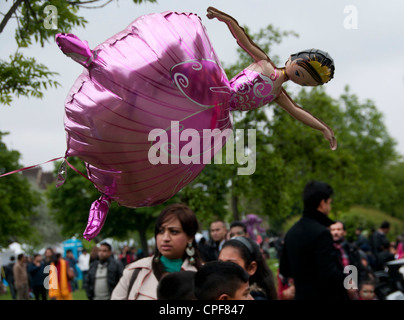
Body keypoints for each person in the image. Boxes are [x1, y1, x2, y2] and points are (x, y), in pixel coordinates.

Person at [55, 7, 337, 240]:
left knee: (167, 150)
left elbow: (299, 112)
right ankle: (95, 61)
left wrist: (323, 128)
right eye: (301, 70)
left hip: (214, 118)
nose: (299, 78)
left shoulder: (279, 94)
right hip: (212, 88)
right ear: (291, 59)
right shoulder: (264, 64)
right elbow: (244, 41)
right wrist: (226, 19)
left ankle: (107, 196)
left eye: (306, 80)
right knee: (160, 76)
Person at [111, 203, 202, 300]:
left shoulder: (203, 277)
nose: (165, 238)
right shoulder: (136, 271)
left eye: (174, 231)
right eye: (161, 231)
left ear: (190, 237)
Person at [279, 180, 349, 300]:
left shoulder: (292, 232)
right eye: (329, 203)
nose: (330, 207)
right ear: (322, 203)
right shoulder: (322, 233)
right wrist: (348, 275)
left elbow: (285, 269)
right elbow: (329, 276)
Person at [330, 221, 368, 299]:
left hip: (353, 290)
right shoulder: (327, 250)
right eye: (333, 230)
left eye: (338, 229)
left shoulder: (351, 249)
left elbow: (360, 269)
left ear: (344, 232)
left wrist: (360, 286)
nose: (335, 232)